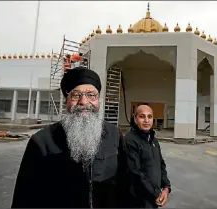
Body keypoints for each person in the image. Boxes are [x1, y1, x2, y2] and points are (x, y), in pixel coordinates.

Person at [11, 67, 128, 208]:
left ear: (98, 100)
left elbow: (125, 184)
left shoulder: (114, 135)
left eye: (91, 95)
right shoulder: (42, 141)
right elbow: (24, 197)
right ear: (66, 99)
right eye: (76, 95)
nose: (84, 102)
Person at [124, 104, 171, 208]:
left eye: (149, 117)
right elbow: (135, 173)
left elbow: (161, 165)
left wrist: (166, 187)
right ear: (135, 119)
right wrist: (156, 193)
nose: (146, 120)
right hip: (138, 201)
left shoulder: (153, 140)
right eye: (142, 116)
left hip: (153, 199)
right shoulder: (130, 140)